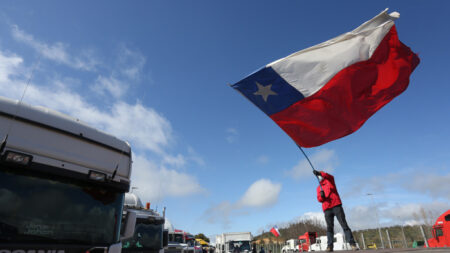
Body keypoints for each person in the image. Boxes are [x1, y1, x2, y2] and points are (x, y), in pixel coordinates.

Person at [313, 170, 358, 252]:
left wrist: (320, 173)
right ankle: (330, 246)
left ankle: (352, 244)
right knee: (329, 228)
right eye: (318, 177)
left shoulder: (330, 181)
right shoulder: (318, 188)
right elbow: (319, 199)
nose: (320, 177)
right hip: (327, 209)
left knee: (344, 225)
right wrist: (322, 197)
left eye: (320, 176)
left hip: (336, 205)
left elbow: (330, 176)